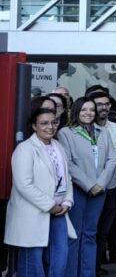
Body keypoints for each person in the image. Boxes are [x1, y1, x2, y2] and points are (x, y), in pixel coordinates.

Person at [5, 108, 75, 277]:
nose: (50, 127)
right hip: (33, 213)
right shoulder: (25, 149)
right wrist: (50, 205)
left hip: (59, 211)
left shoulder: (58, 146)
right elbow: (24, 185)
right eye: (44, 123)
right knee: (32, 262)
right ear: (34, 126)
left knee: (60, 258)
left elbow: (67, 178)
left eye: (54, 122)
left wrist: (67, 201)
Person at [57, 96, 116, 277]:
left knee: (91, 234)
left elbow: (111, 159)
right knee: (75, 235)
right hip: (78, 189)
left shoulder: (103, 132)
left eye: (91, 109)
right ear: (76, 111)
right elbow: (67, 163)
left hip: (100, 190)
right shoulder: (66, 133)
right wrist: (89, 184)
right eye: (84, 109)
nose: (88, 113)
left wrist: (101, 184)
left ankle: (87, 273)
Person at [88, 90, 116, 275]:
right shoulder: (83, 128)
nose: (103, 107)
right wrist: (112, 153)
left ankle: (95, 265)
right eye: (98, 104)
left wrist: (102, 152)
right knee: (89, 230)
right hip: (87, 187)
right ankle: (87, 266)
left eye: (106, 104)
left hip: (111, 186)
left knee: (104, 231)